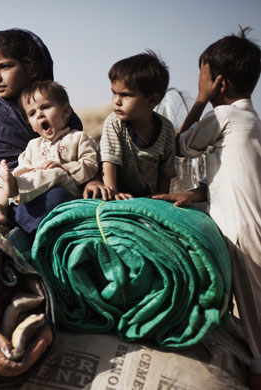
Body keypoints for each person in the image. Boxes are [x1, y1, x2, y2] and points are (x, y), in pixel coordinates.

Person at [152, 28, 261, 387]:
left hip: (243, 232)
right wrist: (196, 194)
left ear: (219, 83)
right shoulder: (251, 120)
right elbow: (236, 175)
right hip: (251, 224)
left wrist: (199, 100)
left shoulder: (224, 116)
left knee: (256, 323)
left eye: (202, 77)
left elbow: (182, 145)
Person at [0, 29, 85, 237]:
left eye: (5, 66)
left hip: (34, 191)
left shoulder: (61, 113)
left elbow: (81, 158)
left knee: (57, 198)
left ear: (31, 68)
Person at [0, 80, 98, 224]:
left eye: (45, 107)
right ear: (32, 126)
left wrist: (64, 167)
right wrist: (22, 174)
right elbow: (23, 167)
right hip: (32, 191)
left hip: (66, 186)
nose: (39, 114)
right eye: (32, 113)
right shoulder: (33, 146)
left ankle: (15, 188)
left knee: (54, 173)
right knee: (5, 178)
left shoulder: (78, 138)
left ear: (65, 112)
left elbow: (90, 165)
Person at [99, 51, 176, 199]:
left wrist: (161, 197)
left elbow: (166, 172)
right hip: (118, 191)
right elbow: (109, 161)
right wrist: (113, 193)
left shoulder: (166, 129)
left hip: (148, 196)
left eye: (125, 95)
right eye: (114, 93)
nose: (116, 101)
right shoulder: (114, 123)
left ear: (152, 101)